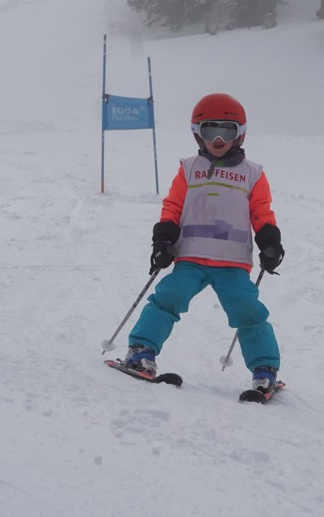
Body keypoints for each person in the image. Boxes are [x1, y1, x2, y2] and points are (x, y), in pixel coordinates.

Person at [119, 93, 285, 394]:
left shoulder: (253, 173)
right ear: (198, 133)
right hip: (191, 256)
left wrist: (270, 242)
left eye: (228, 130)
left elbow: (262, 212)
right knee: (168, 298)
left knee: (248, 311)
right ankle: (141, 350)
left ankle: (265, 368)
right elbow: (173, 207)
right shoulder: (188, 168)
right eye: (210, 130)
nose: (219, 138)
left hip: (232, 261)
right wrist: (164, 239)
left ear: (241, 134)